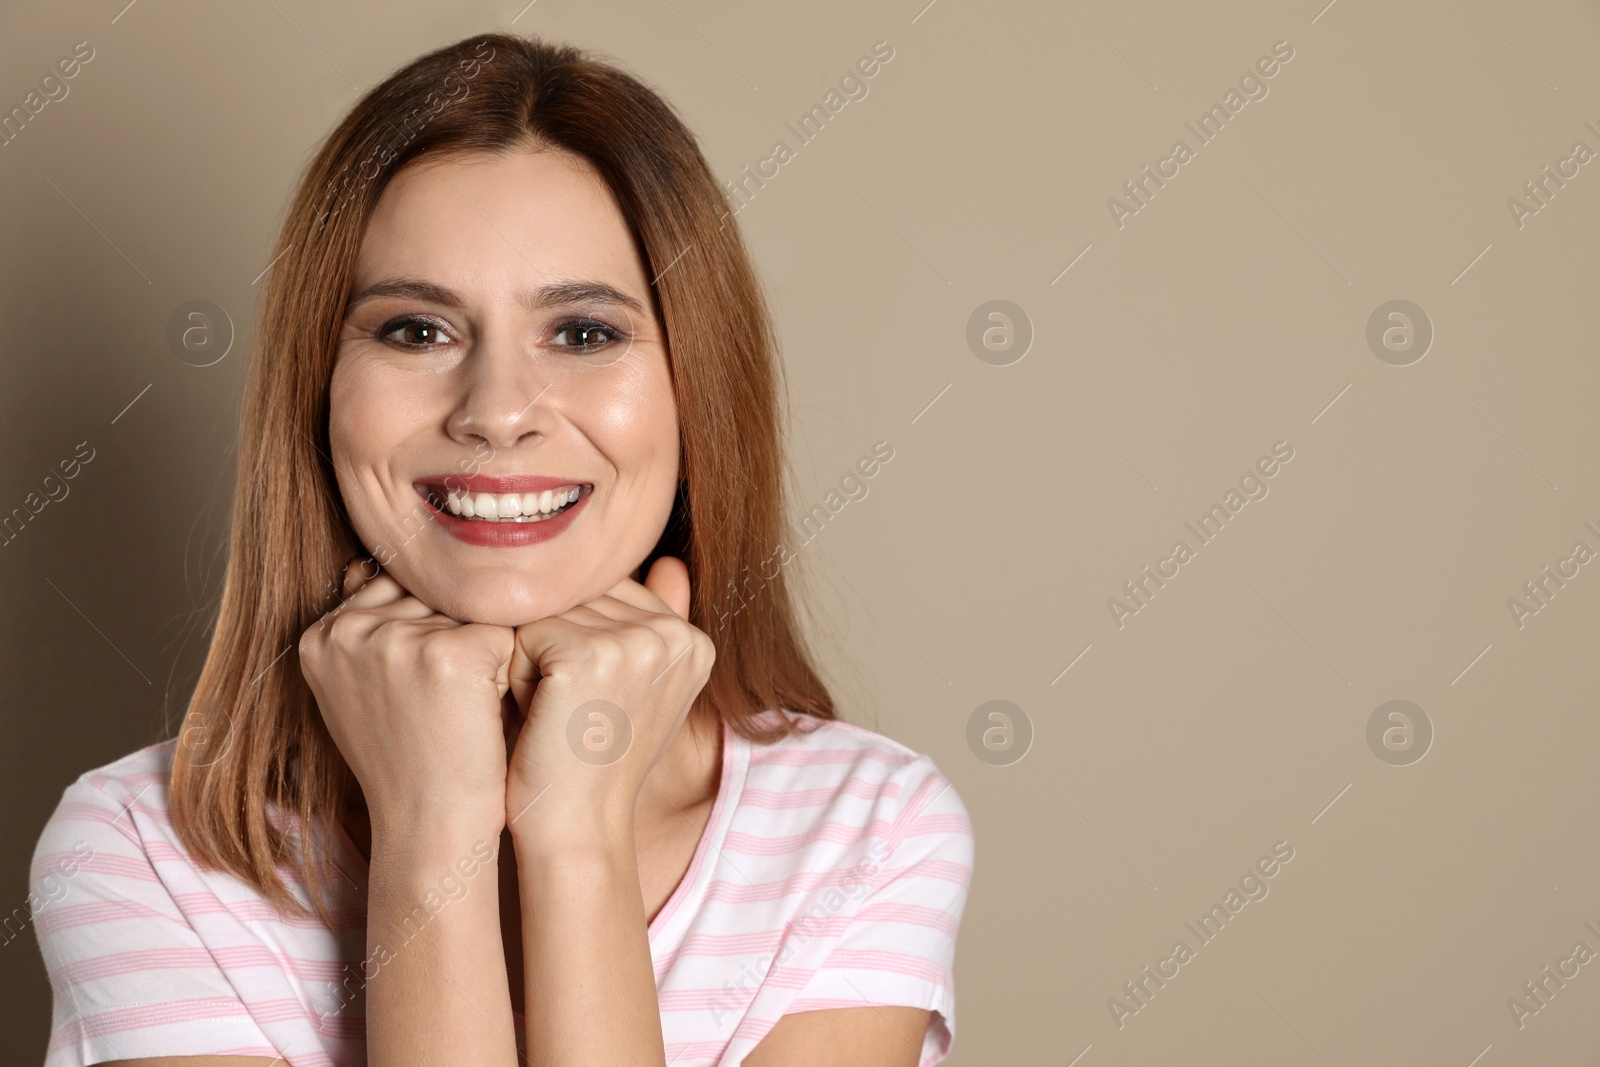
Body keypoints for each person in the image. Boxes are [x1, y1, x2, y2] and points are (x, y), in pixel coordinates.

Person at [29, 31, 973, 1067]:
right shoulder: (142, 852)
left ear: (696, 391)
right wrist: (433, 823)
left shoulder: (869, 831)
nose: (497, 411)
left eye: (582, 332)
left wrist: (576, 833)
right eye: (415, 330)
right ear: (320, 395)